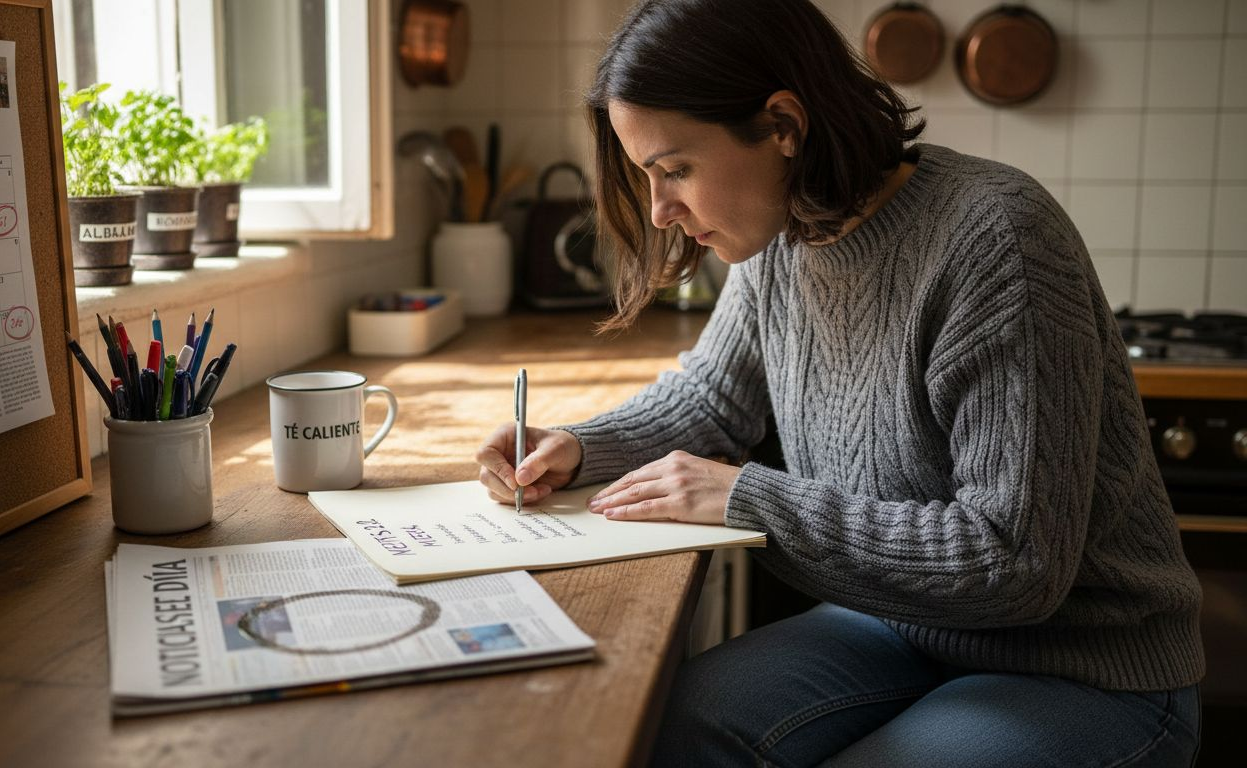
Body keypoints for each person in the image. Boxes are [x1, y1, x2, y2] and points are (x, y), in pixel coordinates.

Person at [472, 0, 1203, 765]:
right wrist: (576, 446)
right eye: (646, 177)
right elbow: (713, 402)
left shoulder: (996, 238)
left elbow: (1011, 562)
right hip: (897, 625)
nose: (659, 213)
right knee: (672, 726)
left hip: (1083, 664)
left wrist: (750, 498)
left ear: (783, 127)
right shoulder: (779, 238)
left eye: (676, 170)